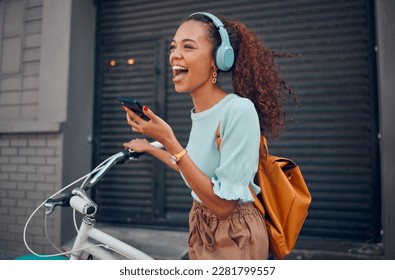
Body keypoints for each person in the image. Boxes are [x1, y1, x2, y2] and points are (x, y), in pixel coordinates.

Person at [121, 12, 297, 260]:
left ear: (218, 59)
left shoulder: (238, 110)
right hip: (201, 224)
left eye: (188, 46)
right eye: (173, 47)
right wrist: (150, 148)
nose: (174, 55)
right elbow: (195, 169)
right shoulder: (201, 112)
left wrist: (170, 140)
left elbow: (224, 206)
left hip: (235, 235)